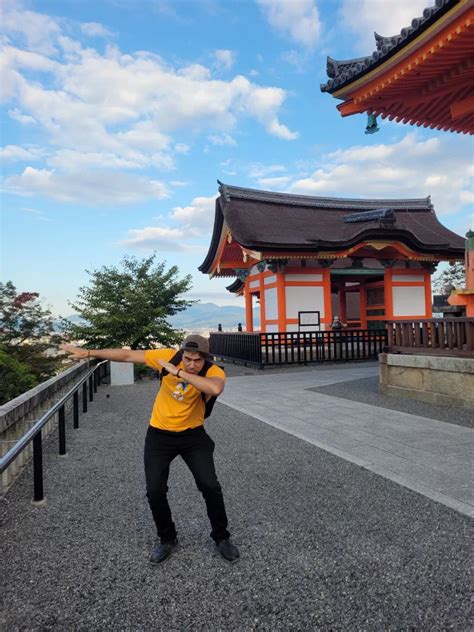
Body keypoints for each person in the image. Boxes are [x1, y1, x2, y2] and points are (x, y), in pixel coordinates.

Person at [61, 334, 239, 565]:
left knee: (210, 485)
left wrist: (177, 372)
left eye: (197, 360)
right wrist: (89, 353)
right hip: (159, 435)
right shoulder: (167, 356)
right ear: (181, 353)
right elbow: (127, 354)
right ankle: (167, 538)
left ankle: (221, 537)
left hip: (193, 435)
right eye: (187, 359)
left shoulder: (213, 372)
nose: (191, 364)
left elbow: (214, 389)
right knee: (155, 490)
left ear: (206, 358)